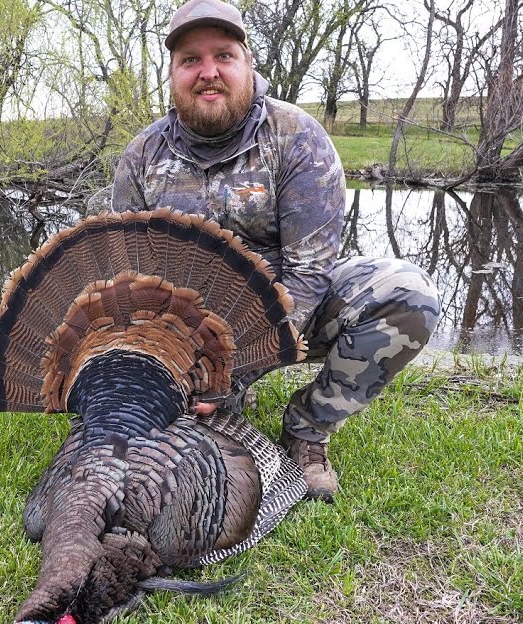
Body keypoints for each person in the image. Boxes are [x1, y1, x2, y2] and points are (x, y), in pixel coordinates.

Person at [105, 0, 442, 501]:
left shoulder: (297, 138)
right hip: (181, 334)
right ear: (172, 74)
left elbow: (308, 277)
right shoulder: (142, 156)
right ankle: (212, 403)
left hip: (285, 312)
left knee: (408, 294)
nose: (209, 72)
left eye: (224, 55)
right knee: (153, 460)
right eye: (190, 60)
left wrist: (229, 367)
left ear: (248, 64)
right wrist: (164, 364)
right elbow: (125, 275)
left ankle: (307, 428)